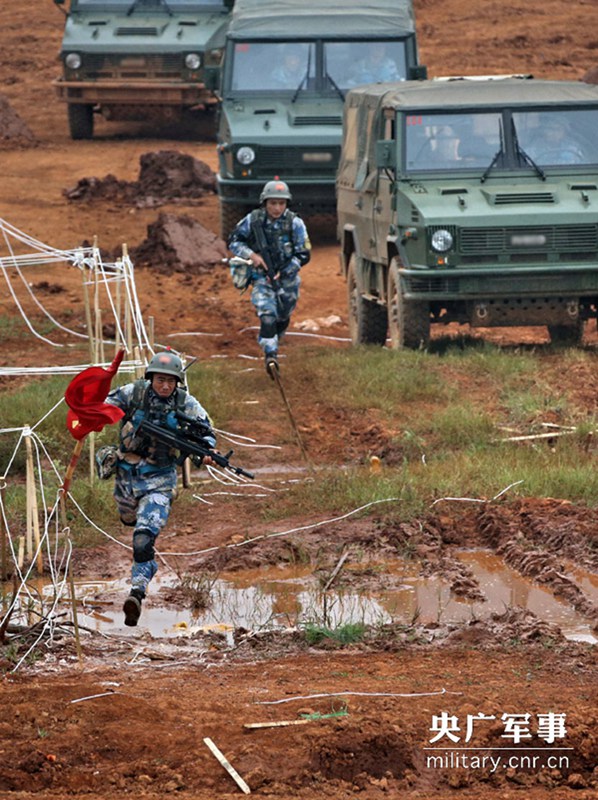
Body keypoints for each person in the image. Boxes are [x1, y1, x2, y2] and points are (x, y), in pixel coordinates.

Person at [102, 350, 216, 627]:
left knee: (143, 538)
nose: (165, 386)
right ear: (151, 378)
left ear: (178, 382)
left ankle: (136, 593)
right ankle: (141, 561)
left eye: (170, 381)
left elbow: (207, 432)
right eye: (160, 380)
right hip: (127, 475)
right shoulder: (134, 393)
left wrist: (207, 450)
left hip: (160, 479)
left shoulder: (185, 403)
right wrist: (91, 414)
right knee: (128, 519)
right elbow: (102, 406)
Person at [227, 179, 311, 377]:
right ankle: (270, 356)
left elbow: (304, 254)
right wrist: (252, 255)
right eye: (273, 203)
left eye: (281, 203)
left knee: (283, 315)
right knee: (267, 315)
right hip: (261, 277)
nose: (277, 208)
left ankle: (275, 340)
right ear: (265, 203)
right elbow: (234, 240)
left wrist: (287, 270)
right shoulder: (253, 220)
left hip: (287, 280)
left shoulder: (295, 223)